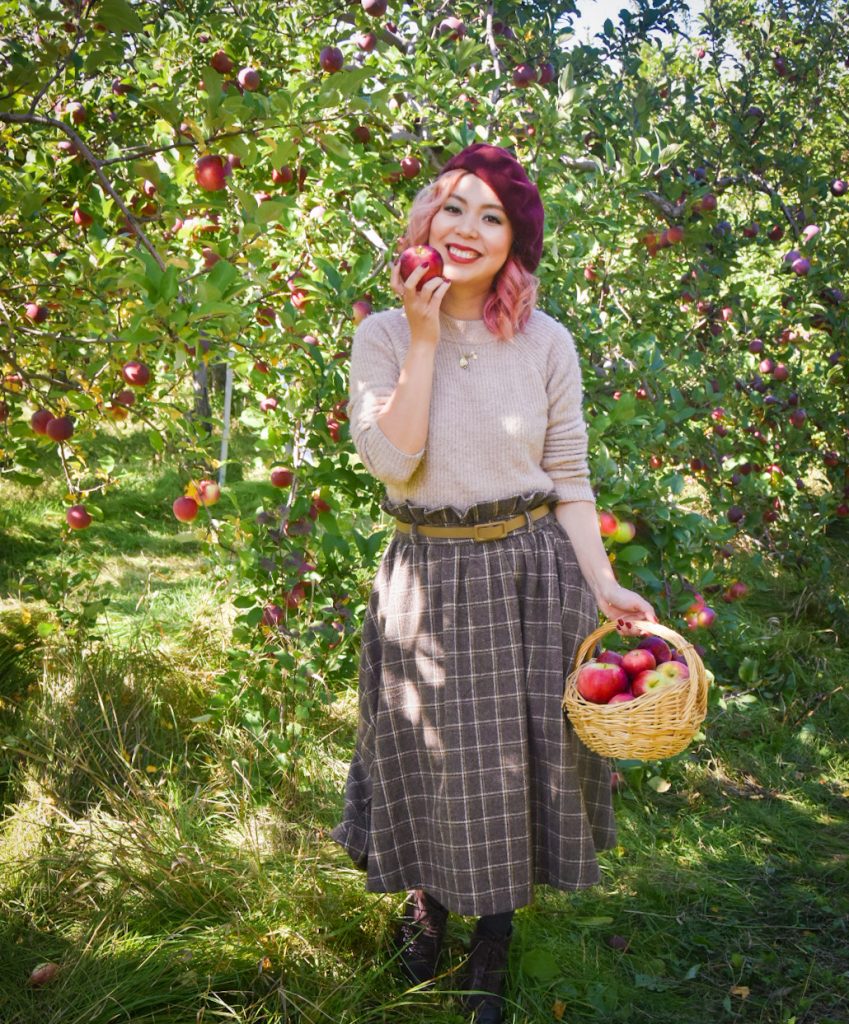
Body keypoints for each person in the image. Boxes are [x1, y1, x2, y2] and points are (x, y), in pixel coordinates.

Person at [331, 143, 657, 1023]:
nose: (468, 228)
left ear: (514, 242)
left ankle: (496, 936)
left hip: (526, 569)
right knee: (425, 752)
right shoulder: (382, 335)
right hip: (425, 575)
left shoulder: (546, 341)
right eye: (454, 208)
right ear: (425, 223)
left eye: (492, 217)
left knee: (517, 763)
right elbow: (394, 463)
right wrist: (427, 334)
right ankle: (427, 907)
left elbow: (571, 477)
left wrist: (605, 585)